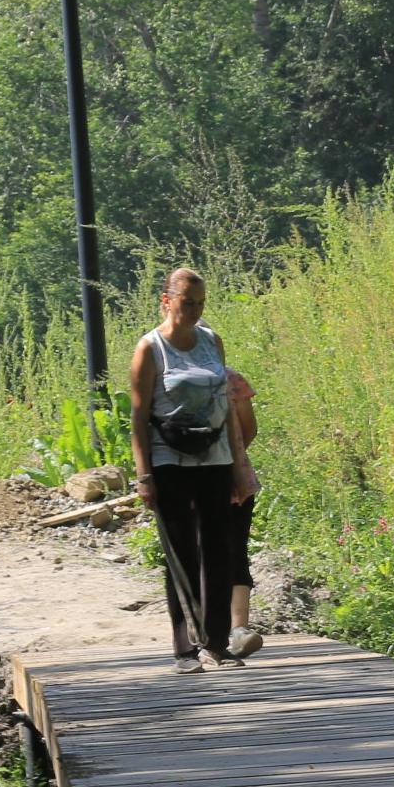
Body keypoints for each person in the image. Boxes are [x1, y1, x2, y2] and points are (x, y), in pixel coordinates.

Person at [129, 268, 254, 673]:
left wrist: (238, 465)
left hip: (214, 457)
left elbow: (226, 405)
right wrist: (144, 474)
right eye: (187, 303)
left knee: (219, 551)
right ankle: (184, 648)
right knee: (182, 553)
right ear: (167, 301)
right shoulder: (151, 349)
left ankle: (217, 645)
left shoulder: (211, 340)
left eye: (200, 303)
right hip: (170, 460)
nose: (195, 311)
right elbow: (138, 416)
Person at [222, 365, 263, 658]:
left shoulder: (230, 378)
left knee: (231, 551)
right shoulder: (231, 378)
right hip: (235, 479)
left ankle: (237, 629)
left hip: (231, 482)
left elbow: (249, 428)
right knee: (234, 551)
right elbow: (248, 427)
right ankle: (234, 629)